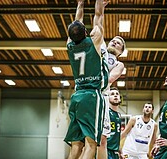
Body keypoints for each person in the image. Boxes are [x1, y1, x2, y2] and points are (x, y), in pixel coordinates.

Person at [64, 0, 108, 159]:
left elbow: (77, 23)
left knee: (76, 145)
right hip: (91, 96)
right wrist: (100, 4)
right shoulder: (94, 41)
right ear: (85, 33)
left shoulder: (69, 45)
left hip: (77, 96)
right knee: (90, 144)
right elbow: (98, 16)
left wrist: (80, 4)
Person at [106, 87, 123, 159]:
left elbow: (116, 137)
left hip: (115, 152)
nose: (115, 95)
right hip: (106, 150)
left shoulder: (118, 115)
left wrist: (120, 152)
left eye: (117, 94)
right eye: (112, 94)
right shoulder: (106, 113)